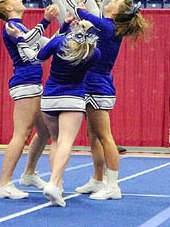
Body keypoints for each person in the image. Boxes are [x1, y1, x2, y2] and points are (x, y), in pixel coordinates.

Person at [56, 0, 149, 201]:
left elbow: (78, 10)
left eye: (115, 1)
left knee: (105, 137)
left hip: (98, 85)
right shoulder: (108, 24)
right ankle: (98, 179)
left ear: (116, 11)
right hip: (93, 82)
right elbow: (92, 7)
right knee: (92, 136)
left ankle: (113, 185)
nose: (112, 0)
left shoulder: (108, 27)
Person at [8, 15, 101, 207]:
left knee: (56, 140)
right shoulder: (94, 53)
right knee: (66, 142)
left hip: (50, 98)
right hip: (73, 98)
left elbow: (33, 58)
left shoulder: (58, 42)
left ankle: (56, 184)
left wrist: (19, 38)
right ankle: (53, 183)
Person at [0, 0, 56, 200]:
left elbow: (47, 45)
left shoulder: (23, 27)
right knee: (21, 133)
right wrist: (46, 20)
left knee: (44, 132)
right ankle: (4, 184)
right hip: (24, 83)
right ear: (8, 8)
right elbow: (28, 41)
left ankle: (29, 173)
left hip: (33, 82)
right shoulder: (11, 27)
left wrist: (68, 27)